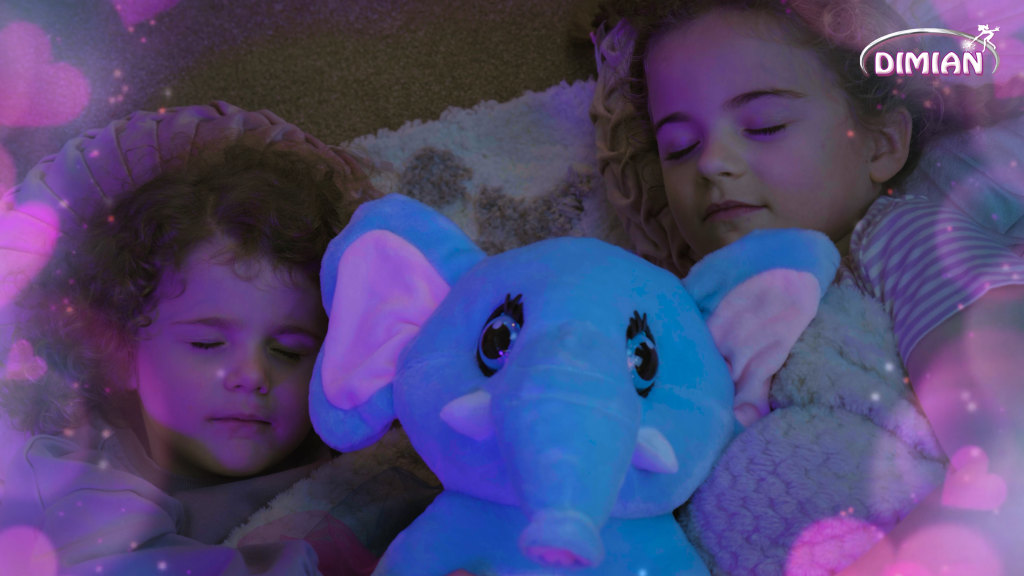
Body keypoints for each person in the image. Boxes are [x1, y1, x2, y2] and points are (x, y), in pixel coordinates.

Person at [588, 0, 1024, 573]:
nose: (711, 163)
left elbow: (1010, 468)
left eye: (764, 125)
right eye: (680, 147)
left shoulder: (904, 237)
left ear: (881, 144)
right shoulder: (692, 313)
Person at [0, 140, 380, 575]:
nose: (252, 375)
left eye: (287, 352)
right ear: (122, 354)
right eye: (207, 344)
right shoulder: (74, 477)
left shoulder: (372, 462)